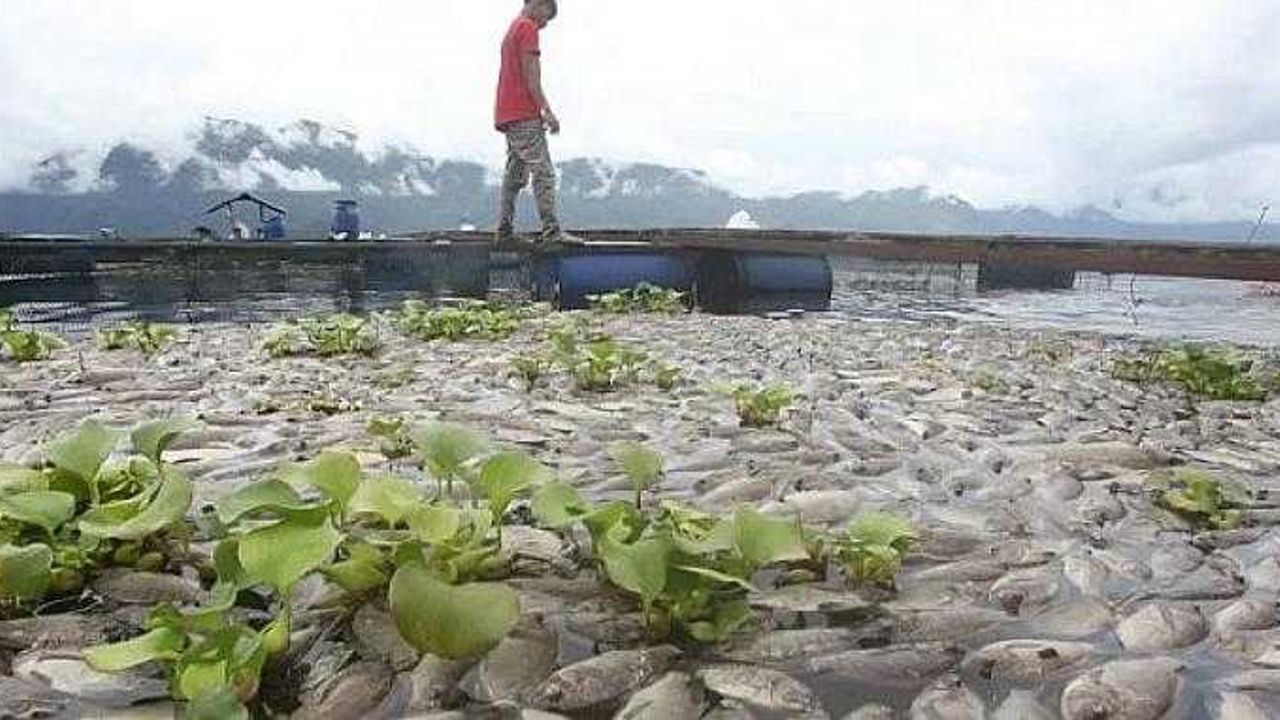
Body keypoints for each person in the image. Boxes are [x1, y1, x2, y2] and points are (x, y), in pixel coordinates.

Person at [494, 0, 583, 248]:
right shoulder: (527, 28)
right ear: (538, 4)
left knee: (514, 174)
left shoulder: (512, 29)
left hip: (507, 112)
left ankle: (504, 229)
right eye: (547, 15)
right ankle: (551, 230)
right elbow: (531, 74)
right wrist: (547, 110)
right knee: (542, 171)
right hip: (524, 111)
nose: (544, 24)